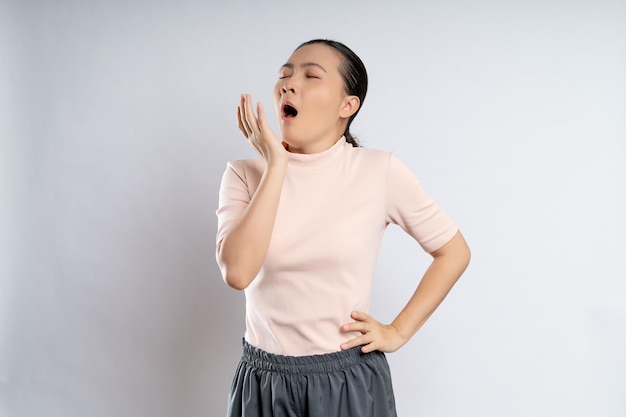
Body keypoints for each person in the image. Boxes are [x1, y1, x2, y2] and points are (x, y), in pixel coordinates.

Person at [216, 39, 471, 417]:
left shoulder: (378, 171)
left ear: (347, 106)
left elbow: (454, 252)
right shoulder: (244, 174)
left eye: (310, 75)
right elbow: (237, 273)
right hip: (264, 383)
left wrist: (397, 332)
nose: (289, 83)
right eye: (284, 75)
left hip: (345, 383)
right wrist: (276, 166)